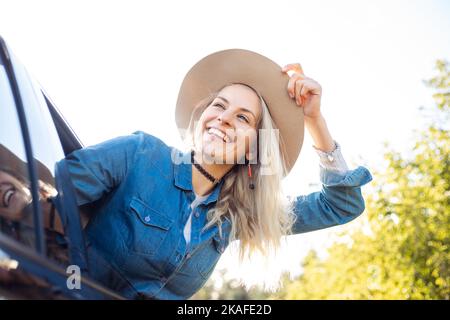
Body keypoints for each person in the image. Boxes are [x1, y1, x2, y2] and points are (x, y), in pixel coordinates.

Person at [61, 49, 373, 299]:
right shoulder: (138, 154)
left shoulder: (235, 216)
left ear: (254, 148)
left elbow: (341, 206)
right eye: (219, 105)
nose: (223, 118)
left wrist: (315, 120)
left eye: (242, 117)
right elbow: (48, 194)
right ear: (203, 115)